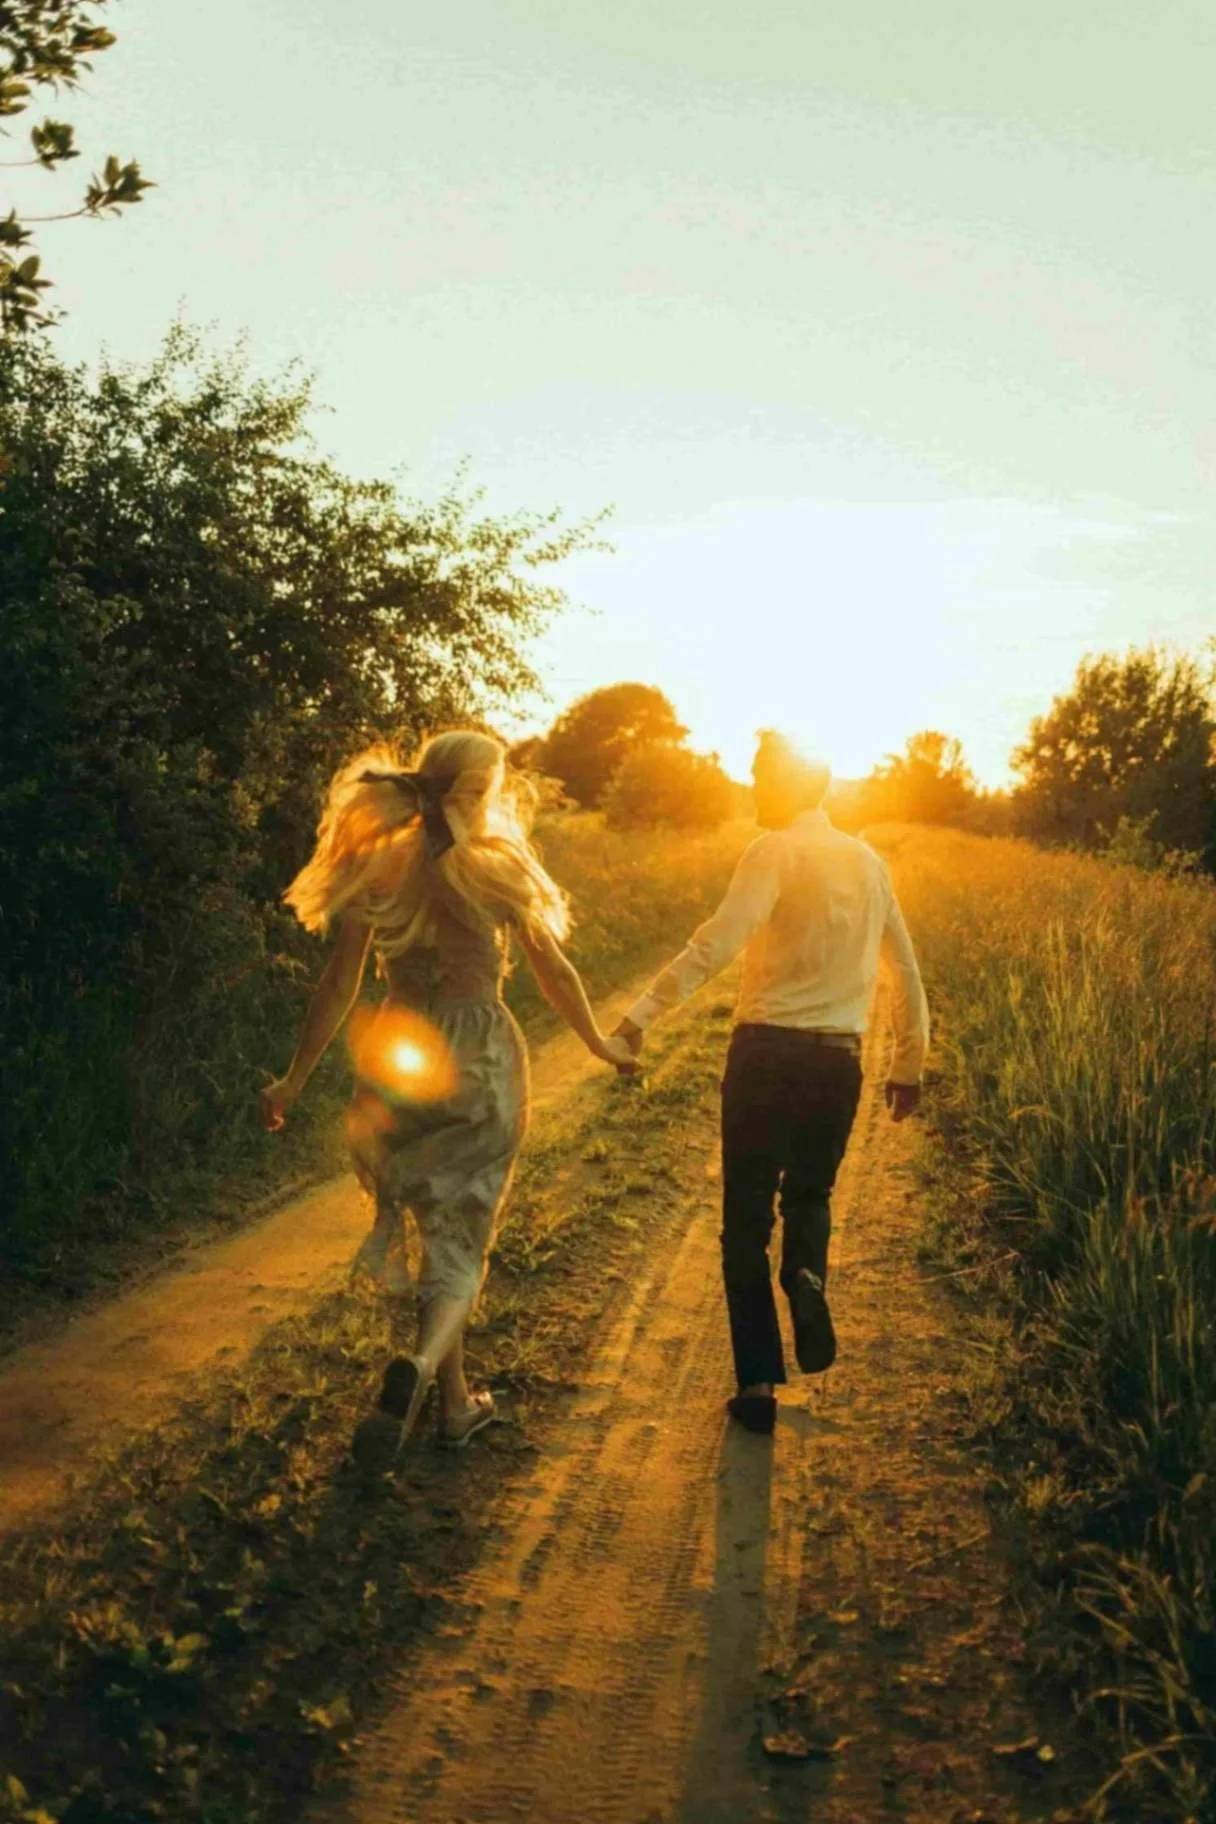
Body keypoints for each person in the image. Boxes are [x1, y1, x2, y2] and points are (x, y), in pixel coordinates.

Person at [260, 729, 634, 1465]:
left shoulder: (379, 864)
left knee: (437, 1228)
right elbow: (554, 970)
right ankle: (423, 1368)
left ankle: (456, 1405)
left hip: (400, 1059)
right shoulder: (490, 867)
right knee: (463, 1230)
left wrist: (293, 1079)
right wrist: (600, 1044)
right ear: (478, 793)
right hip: (477, 1056)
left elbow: (338, 984)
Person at [613, 730, 929, 1434]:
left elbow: (715, 944)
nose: (752, 786)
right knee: (810, 1194)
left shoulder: (774, 850)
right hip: (838, 1059)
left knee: (745, 1222)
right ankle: (806, 1276)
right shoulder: (870, 863)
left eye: (760, 775)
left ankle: (757, 1382)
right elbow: (904, 970)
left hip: (764, 1056)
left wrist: (638, 1018)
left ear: (793, 785)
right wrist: (909, 1063)